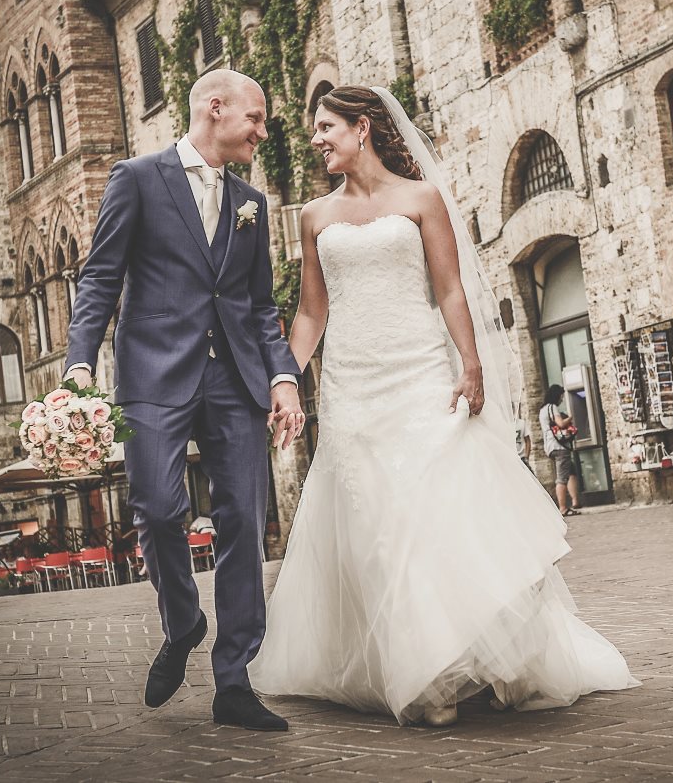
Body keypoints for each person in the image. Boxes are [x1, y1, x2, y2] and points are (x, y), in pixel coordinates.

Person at [249, 85, 637, 727]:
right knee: (377, 522)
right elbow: (312, 311)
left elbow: (451, 287)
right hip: (351, 381)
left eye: (325, 127)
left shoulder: (421, 198)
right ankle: (424, 671)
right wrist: (284, 382)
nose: (316, 139)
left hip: (421, 369)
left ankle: (469, 658)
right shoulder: (314, 216)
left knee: (436, 507)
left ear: (362, 127)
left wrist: (472, 363)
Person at [64, 68, 304, 732]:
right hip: (151, 376)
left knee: (244, 520)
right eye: (254, 117)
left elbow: (259, 307)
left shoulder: (250, 200)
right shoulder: (136, 179)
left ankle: (234, 679)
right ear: (215, 108)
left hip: (234, 380)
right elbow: (100, 277)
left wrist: (281, 375)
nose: (262, 129)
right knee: (159, 506)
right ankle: (184, 620)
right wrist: (80, 361)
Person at [540, 385, 582, 516]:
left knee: (571, 471)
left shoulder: (542, 410)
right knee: (562, 477)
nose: (562, 399)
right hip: (558, 446)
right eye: (561, 396)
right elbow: (561, 424)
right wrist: (571, 417)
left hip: (550, 446)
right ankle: (562, 508)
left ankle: (575, 501)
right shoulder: (552, 407)